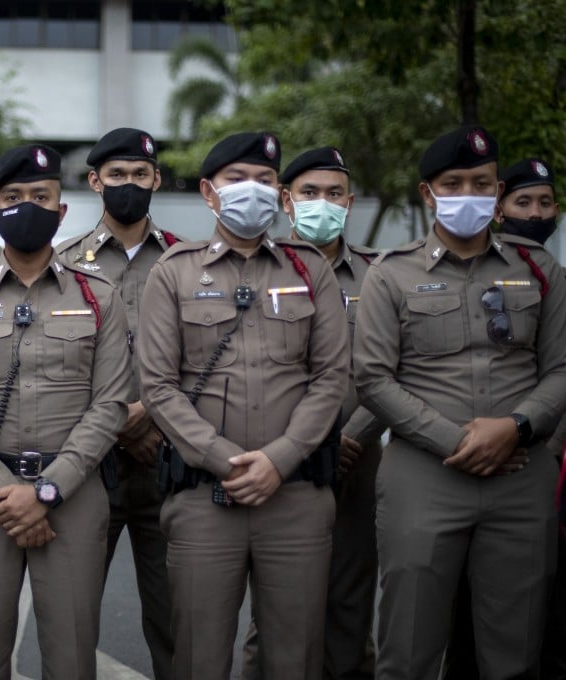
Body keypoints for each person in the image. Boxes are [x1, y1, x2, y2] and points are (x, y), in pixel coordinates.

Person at [355, 126, 566, 680]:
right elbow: (373, 380)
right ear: (428, 194)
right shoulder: (390, 274)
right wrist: (465, 441)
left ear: (497, 192)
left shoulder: (540, 270)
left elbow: (561, 369)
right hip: (425, 475)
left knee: (514, 652)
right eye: (454, 184)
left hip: (521, 476)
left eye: (481, 183)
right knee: (409, 649)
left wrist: (517, 427)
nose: (468, 193)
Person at [139, 131, 348, 680]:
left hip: (297, 497)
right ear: (209, 193)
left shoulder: (310, 270)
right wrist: (225, 460)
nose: (250, 191)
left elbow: (331, 377)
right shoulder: (174, 271)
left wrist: (280, 459)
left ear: (280, 195)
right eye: (237, 180)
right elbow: (158, 386)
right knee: (198, 658)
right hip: (206, 500)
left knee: (295, 658)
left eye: (263, 180)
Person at [0, 143, 131, 679]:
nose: (27, 206)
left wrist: (47, 491)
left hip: (74, 494)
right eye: (13, 197)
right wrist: (7, 493)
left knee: (70, 656)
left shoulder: (98, 298)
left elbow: (109, 403)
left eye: (41, 196)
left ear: (62, 212)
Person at [241, 146, 385, 680]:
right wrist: (296, 446)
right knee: (277, 614)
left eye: (332, 194)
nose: (321, 203)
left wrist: (356, 436)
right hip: (282, 463)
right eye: (308, 193)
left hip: (358, 459)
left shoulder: (379, 274)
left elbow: (396, 366)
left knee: (350, 605)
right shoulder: (257, 270)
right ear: (285, 200)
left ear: (349, 202)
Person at [55, 126, 175, 680]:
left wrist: (148, 412)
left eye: (140, 175)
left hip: (168, 459)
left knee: (178, 624)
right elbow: (53, 363)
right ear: (95, 182)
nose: (130, 184)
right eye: (118, 175)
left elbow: (206, 355)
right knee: (70, 624)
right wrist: (117, 424)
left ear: (157, 180)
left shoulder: (186, 261)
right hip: (87, 465)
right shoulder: (60, 264)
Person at [441, 157, 564, 680]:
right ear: (498, 208)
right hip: (469, 459)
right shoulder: (475, 276)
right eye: (522, 202)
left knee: (530, 615)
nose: (535, 214)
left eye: (545, 203)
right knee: (462, 613)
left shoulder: (551, 277)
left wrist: (522, 434)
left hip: (539, 465)